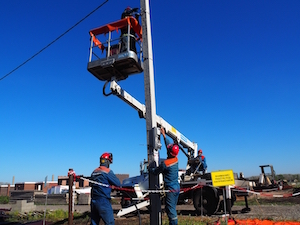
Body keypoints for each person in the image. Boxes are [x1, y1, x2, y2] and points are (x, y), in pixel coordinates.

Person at [150, 127, 180, 225]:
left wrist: (150, 167)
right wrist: (164, 135)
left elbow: (155, 172)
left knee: (171, 211)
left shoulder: (165, 164)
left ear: (169, 152)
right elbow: (169, 146)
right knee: (171, 208)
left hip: (170, 189)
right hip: (176, 187)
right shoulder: (176, 159)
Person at [90, 152, 121, 225]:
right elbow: (118, 184)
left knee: (94, 223)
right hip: (103, 201)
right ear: (108, 162)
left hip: (94, 200)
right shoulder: (107, 171)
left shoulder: (94, 172)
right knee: (109, 223)